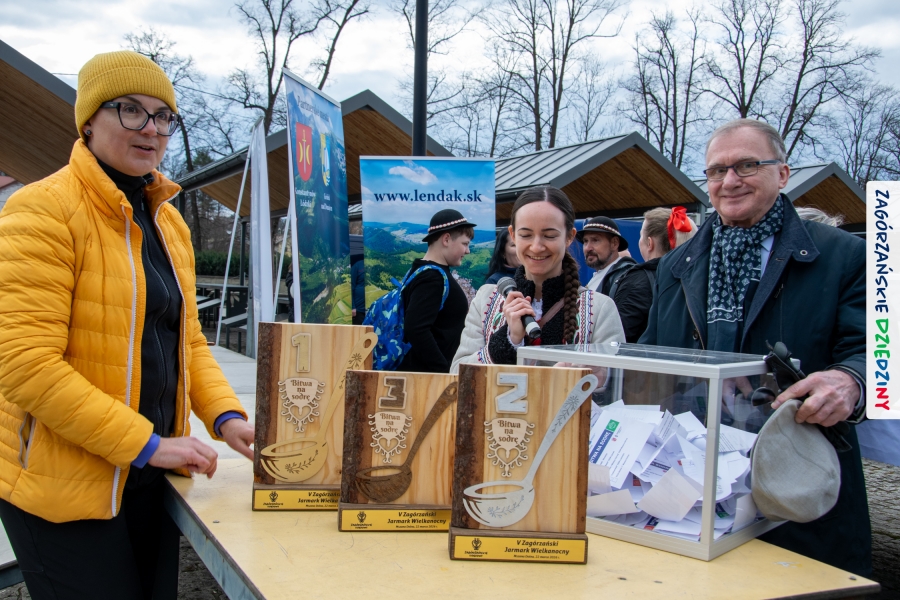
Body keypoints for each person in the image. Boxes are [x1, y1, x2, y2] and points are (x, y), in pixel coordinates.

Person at [0, 51, 255, 599]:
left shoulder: (169, 222)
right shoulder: (41, 210)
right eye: (130, 110)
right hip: (59, 481)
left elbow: (187, 341)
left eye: (163, 116)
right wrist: (146, 443)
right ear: (89, 121)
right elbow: (23, 364)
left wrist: (227, 417)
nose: (151, 129)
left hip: (147, 472)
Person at [639, 118, 870, 576]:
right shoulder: (676, 266)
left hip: (795, 475)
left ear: (782, 174)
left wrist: (850, 380)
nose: (729, 181)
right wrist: (604, 371)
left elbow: (880, 351)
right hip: (695, 483)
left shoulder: (843, 255)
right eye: (716, 170)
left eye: (747, 165)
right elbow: (652, 354)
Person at [452, 187, 624, 370]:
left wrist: (588, 374)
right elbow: (457, 374)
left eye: (549, 236)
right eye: (526, 235)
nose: (536, 247)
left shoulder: (599, 309)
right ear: (513, 235)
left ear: (569, 237)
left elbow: (617, 380)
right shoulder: (486, 300)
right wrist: (508, 340)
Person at [398, 208, 475, 373]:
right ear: (446, 239)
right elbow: (416, 329)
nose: (468, 251)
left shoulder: (422, 271)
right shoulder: (432, 278)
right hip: (427, 378)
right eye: (465, 244)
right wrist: (443, 370)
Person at [615, 206, 698, 343]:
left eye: (641, 236)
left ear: (650, 243)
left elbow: (619, 335)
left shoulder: (637, 280)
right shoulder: (696, 278)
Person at [579, 216, 635, 294]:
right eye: (585, 241)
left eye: (595, 240)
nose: (588, 248)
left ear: (614, 243)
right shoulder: (599, 276)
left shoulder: (628, 277)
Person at [351, 258, 366, 324]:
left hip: (374, 310)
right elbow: (351, 286)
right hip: (359, 310)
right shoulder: (357, 265)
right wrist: (353, 307)